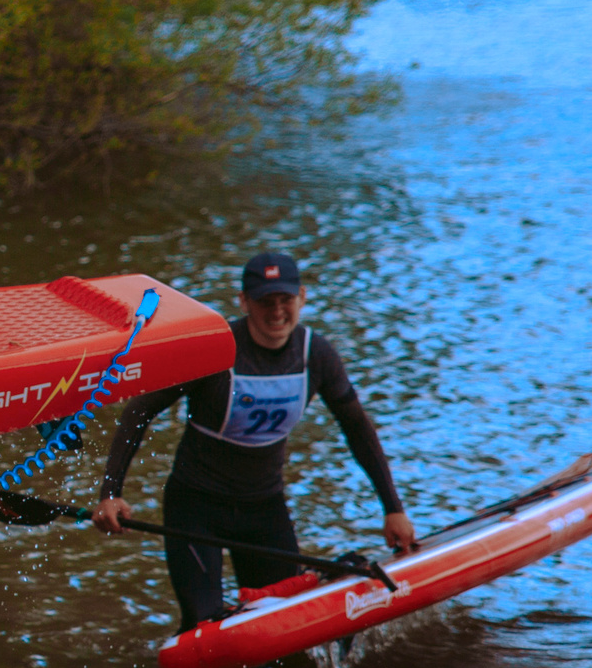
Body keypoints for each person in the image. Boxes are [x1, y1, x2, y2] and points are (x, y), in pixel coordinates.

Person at [94, 250, 419, 631]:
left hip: (265, 509)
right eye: (265, 301)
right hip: (197, 509)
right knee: (202, 624)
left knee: (287, 624)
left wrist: (392, 508)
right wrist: (110, 492)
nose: (277, 311)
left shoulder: (317, 355)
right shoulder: (213, 349)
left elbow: (357, 428)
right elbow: (140, 409)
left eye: (286, 300)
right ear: (244, 302)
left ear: (302, 298)